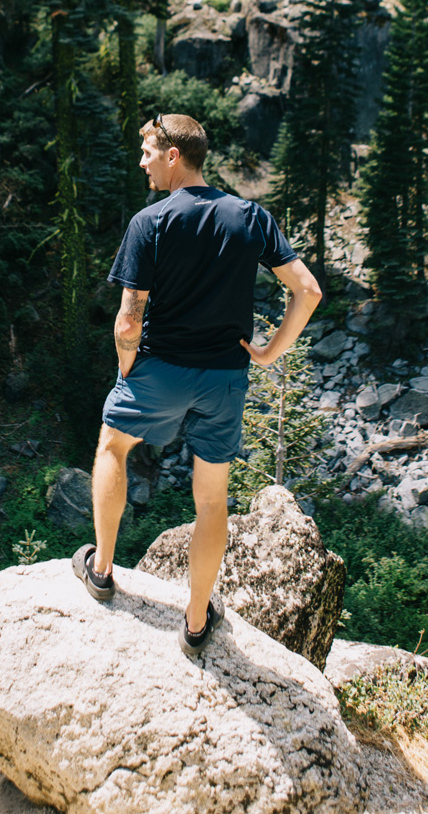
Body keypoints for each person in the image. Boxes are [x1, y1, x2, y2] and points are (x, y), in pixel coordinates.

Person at [72, 112, 322, 654]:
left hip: (159, 368)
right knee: (212, 501)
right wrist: (269, 352)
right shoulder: (250, 216)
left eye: (146, 153)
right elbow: (308, 291)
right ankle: (193, 621)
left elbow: (128, 319)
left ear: (172, 156)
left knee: (112, 446)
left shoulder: (151, 222)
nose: (141, 163)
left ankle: (103, 569)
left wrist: (125, 369)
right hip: (225, 377)